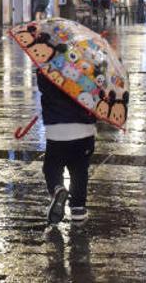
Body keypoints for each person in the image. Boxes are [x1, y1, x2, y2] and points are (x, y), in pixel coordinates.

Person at [38, 70, 95, 224]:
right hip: (85, 131)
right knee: (80, 171)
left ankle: (57, 188)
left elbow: (44, 88)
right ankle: (78, 209)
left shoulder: (48, 67)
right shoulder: (92, 67)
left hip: (58, 130)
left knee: (52, 166)